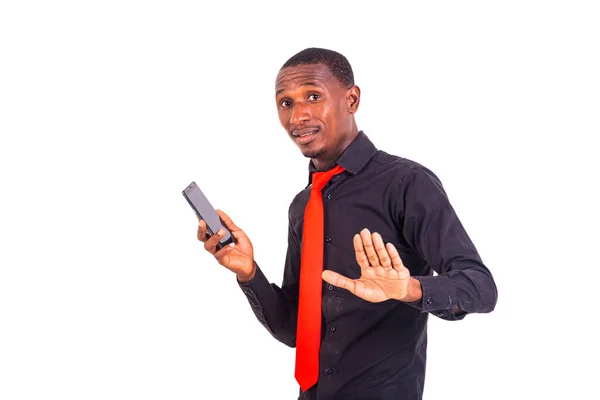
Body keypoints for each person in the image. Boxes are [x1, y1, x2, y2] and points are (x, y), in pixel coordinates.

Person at [196, 47, 498, 400]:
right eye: (286, 103)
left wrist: (410, 289)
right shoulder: (303, 205)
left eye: (313, 96)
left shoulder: (406, 183)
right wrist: (249, 273)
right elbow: (294, 329)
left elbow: (480, 287)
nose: (298, 116)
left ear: (351, 99)